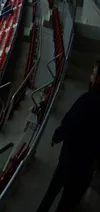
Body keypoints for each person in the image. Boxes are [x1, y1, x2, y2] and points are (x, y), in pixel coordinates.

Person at [37, 61, 100, 212]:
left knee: (51, 194)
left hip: (70, 159)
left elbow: (69, 123)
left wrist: (56, 137)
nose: (90, 76)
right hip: (87, 167)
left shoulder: (86, 100)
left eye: (93, 73)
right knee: (66, 204)